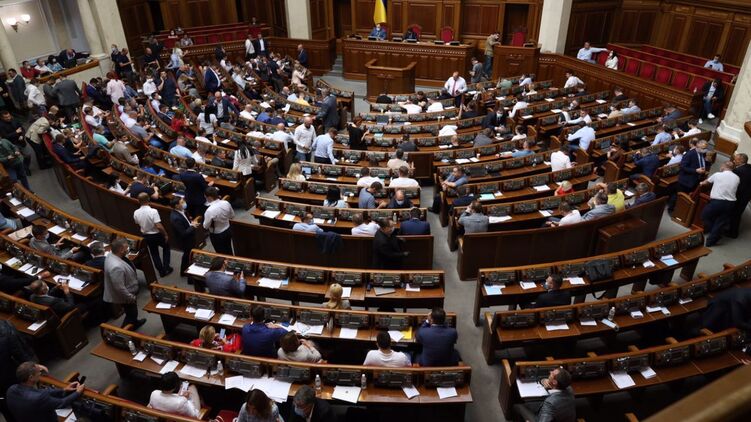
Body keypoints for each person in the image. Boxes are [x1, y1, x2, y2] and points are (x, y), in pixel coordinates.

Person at [6, 361, 84, 422]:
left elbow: (39, 392)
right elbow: (61, 403)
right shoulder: (39, 398)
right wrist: (77, 392)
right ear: (31, 377)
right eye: (38, 372)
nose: (40, 373)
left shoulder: (11, 390)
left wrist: (64, 389)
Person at [103, 238, 145, 329]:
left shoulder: (111, 254)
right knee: (132, 313)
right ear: (121, 250)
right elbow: (119, 288)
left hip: (127, 289)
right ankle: (123, 332)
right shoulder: (116, 267)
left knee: (132, 312)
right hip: (125, 296)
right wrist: (130, 297)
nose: (128, 249)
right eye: (126, 247)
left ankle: (135, 323)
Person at [700, 161, 740, 246]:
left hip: (717, 202)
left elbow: (706, 182)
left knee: (704, 216)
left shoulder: (717, 175)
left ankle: (715, 232)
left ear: (723, 166)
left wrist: (701, 183)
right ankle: (711, 241)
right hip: (730, 204)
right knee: (720, 222)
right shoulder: (737, 177)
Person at [134, 193, 172, 277]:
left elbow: (138, 223)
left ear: (138, 201)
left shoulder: (136, 212)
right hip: (156, 235)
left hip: (146, 236)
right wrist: (165, 234)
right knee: (166, 247)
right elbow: (158, 226)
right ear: (148, 199)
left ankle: (161, 272)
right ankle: (166, 267)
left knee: (154, 253)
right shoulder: (153, 211)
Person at [671, 139, 710, 212]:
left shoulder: (702, 153)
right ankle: (671, 209)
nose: (704, 150)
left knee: (687, 197)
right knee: (678, 196)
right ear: (697, 145)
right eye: (703, 148)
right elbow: (683, 167)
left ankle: (680, 211)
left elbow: (702, 162)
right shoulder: (689, 154)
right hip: (685, 180)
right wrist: (695, 170)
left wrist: (707, 162)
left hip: (695, 180)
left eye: (705, 148)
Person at [203, 187, 235, 255]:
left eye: (205, 197)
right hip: (228, 229)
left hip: (217, 235)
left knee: (220, 253)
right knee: (229, 249)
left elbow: (206, 226)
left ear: (209, 197)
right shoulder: (226, 203)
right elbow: (232, 216)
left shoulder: (209, 211)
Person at [728, 153, 751, 239]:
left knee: (735, 214)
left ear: (741, 161)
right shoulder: (749, 167)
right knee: (738, 214)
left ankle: (732, 233)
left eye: (736, 159)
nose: (734, 161)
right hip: (747, 196)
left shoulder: (738, 171)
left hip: (739, 196)